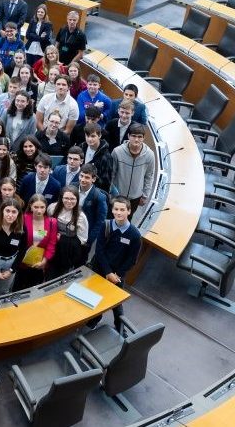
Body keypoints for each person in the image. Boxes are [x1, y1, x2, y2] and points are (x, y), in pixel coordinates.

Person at [87, 198, 142, 331]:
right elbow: (99, 251)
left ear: (129, 211)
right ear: (112, 210)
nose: (119, 212)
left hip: (118, 274)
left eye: (122, 209)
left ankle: (120, 328)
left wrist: (116, 275)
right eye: (116, 209)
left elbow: (131, 260)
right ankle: (94, 319)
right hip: (100, 269)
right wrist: (108, 272)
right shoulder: (105, 225)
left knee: (116, 304)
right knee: (94, 296)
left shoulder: (135, 235)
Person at [0, 200, 26, 297]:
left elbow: (22, 250)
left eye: (14, 212)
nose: (10, 215)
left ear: (18, 214)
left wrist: (12, 270)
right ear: (2, 211)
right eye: (7, 211)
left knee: (4, 291)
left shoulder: (22, 228)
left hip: (11, 263)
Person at [15, 194, 58, 290]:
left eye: (42, 207)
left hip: (39, 264)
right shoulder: (23, 218)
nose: (39, 210)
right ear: (30, 206)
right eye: (36, 207)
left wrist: (44, 261)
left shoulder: (52, 222)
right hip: (22, 263)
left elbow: (52, 244)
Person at [47, 186, 89, 278]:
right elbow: (44, 227)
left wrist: (62, 239)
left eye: (72, 199)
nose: (69, 201)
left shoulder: (81, 217)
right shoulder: (52, 208)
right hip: (51, 247)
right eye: (66, 198)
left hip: (66, 253)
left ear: (77, 199)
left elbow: (82, 240)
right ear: (61, 198)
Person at [111, 123, 155, 206]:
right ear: (128, 136)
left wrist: (145, 196)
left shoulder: (150, 155)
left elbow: (149, 176)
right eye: (134, 136)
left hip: (136, 197)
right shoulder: (117, 152)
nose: (136, 139)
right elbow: (112, 174)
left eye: (139, 137)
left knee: (129, 218)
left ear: (144, 138)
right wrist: (110, 192)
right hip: (118, 195)